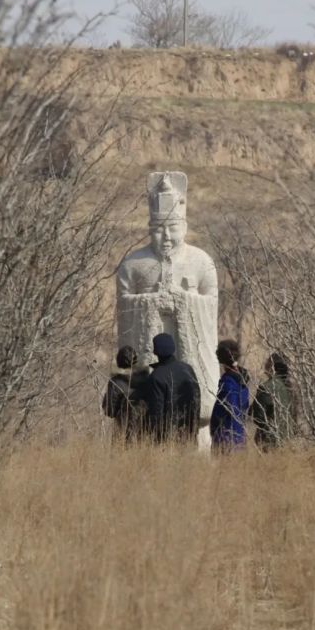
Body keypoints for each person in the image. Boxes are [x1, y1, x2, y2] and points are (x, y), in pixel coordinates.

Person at [116, 171, 220, 448]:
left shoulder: (201, 261)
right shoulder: (133, 264)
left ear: (183, 226)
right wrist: (150, 301)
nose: (165, 236)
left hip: (188, 359)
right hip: (149, 358)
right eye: (158, 228)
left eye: (171, 228)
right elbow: (124, 303)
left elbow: (211, 302)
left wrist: (184, 300)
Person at [143, 332, 201, 442]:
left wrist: (154, 437)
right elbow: (197, 399)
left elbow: (156, 412)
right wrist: (194, 429)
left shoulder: (156, 376)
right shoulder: (188, 369)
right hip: (189, 434)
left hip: (167, 439)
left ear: (156, 352)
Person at [102, 345, 149, 441]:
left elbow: (109, 411)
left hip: (123, 434)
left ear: (119, 361)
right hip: (145, 434)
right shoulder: (147, 380)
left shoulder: (116, 382)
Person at [210, 339, 250, 451]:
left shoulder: (228, 382)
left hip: (226, 438)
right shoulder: (242, 382)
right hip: (240, 436)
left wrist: (215, 429)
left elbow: (229, 410)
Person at [250, 352, 295, 450]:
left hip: (269, 442)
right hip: (289, 441)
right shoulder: (291, 388)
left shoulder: (266, 387)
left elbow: (258, 417)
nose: (265, 366)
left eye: (267, 363)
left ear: (273, 367)